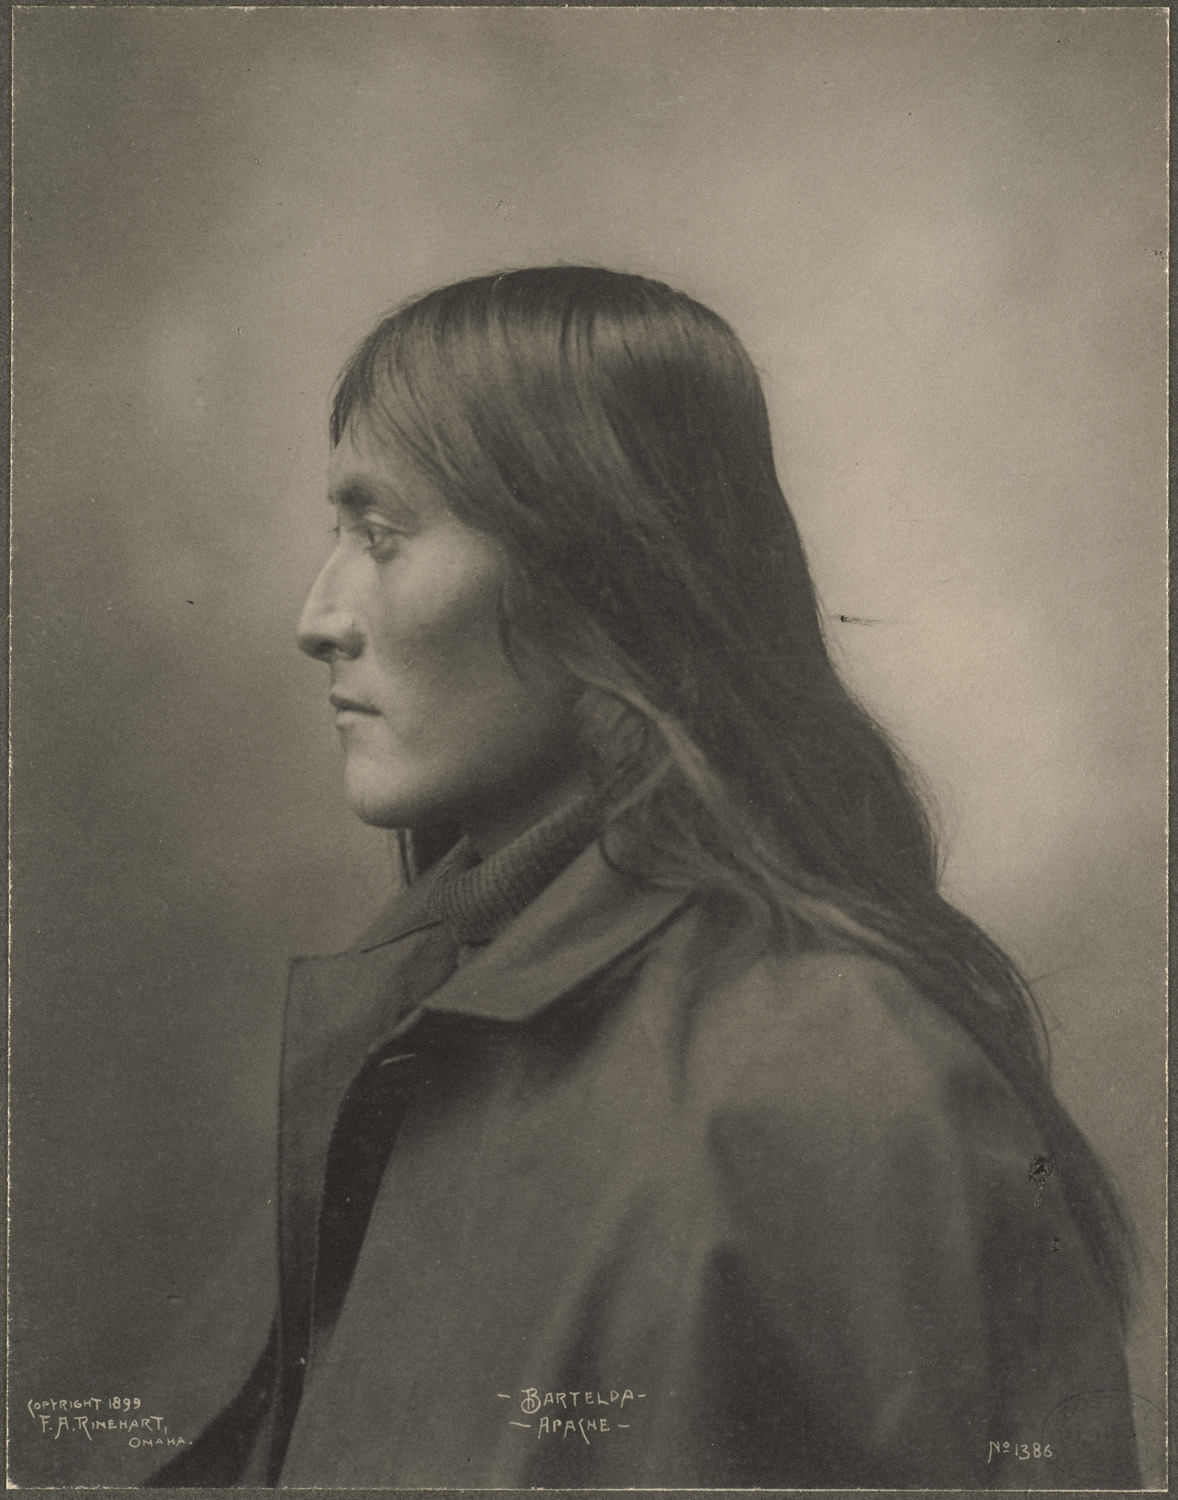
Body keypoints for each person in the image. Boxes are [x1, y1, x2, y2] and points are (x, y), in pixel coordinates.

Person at [149, 266, 1140, 1488]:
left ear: (600, 572)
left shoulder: (845, 1078)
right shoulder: (412, 1022)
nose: (319, 616)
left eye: (382, 535)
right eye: (335, 532)